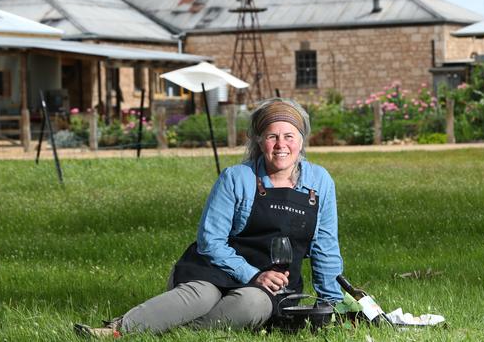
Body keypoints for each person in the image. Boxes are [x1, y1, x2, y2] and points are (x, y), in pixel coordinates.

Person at [74, 98, 343, 337]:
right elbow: (210, 241)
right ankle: (117, 330)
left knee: (253, 304)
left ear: (302, 140)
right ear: (259, 141)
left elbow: (325, 247)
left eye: (289, 136)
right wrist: (253, 274)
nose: (281, 145)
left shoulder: (319, 182)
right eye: (272, 136)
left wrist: (334, 305)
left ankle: (176, 331)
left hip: (271, 289)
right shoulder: (235, 178)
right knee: (202, 296)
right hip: (213, 271)